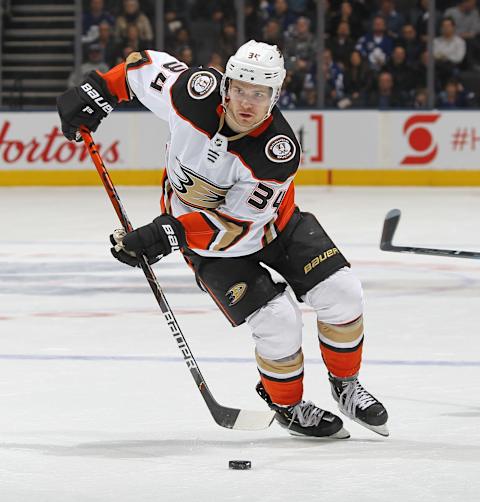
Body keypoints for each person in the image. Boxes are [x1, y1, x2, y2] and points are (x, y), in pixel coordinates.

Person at [56, 40, 389, 439]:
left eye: (260, 94)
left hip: (273, 229)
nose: (247, 103)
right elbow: (140, 68)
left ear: (275, 96)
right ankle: (287, 406)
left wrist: (168, 232)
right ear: (225, 86)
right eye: (240, 90)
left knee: (344, 292)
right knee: (277, 319)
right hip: (207, 248)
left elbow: (236, 225)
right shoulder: (192, 93)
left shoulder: (276, 152)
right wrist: (96, 90)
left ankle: (346, 385)